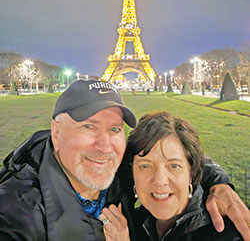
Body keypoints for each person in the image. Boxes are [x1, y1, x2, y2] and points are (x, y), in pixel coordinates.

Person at [0, 80, 249, 240]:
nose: (104, 146)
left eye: (115, 129)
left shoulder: (116, 167)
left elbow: (174, 156)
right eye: (88, 127)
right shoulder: (16, 212)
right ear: (56, 132)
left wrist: (220, 184)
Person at [100, 111, 249, 240]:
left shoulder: (225, 235)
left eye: (174, 166)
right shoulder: (133, 221)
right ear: (132, 173)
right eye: (145, 166)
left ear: (192, 173)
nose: (160, 180)